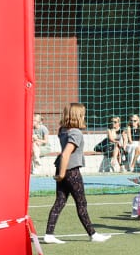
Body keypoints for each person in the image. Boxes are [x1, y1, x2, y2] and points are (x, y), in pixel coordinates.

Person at [43, 102, 111, 245]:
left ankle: (49, 234)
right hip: (71, 171)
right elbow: (66, 153)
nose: (84, 116)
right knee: (81, 203)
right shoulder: (76, 133)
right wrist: (62, 174)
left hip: (62, 168)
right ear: (77, 116)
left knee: (60, 202)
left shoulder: (63, 130)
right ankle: (93, 234)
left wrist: (61, 172)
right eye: (82, 114)